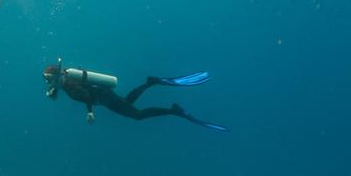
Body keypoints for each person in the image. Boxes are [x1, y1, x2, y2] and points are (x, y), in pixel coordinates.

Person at [43, 60, 227, 131]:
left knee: (137, 115)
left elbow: (86, 97)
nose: (48, 82)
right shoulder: (64, 82)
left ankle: (173, 110)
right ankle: (150, 83)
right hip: (105, 96)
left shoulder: (68, 85)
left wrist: (90, 112)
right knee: (128, 102)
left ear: (57, 75)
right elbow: (75, 91)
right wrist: (54, 91)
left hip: (104, 98)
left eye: (49, 79)